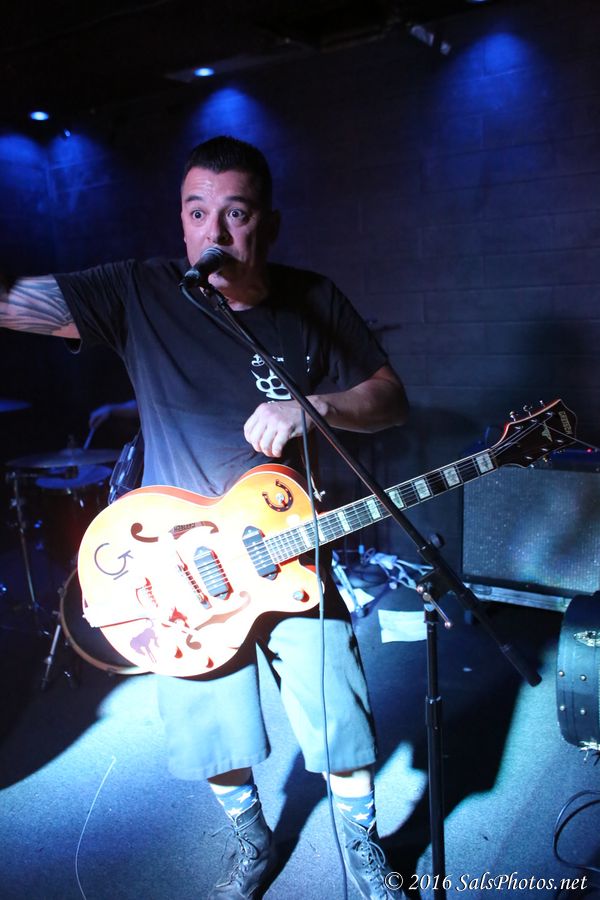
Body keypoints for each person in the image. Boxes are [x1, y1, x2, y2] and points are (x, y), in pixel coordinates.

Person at [1, 136, 409, 899]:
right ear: (181, 223)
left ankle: (361, 843)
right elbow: (15, 303)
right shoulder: (140, 290)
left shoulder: (311, 301)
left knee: (339, 705)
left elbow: (390, 398)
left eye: (235, 213)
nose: (213, 232)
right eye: (196, 213)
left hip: (289, 546)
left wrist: (317, 406)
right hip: (180, 565)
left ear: (268, 224)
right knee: (209, 722)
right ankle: (252, 841)